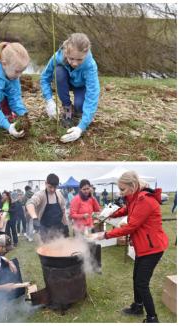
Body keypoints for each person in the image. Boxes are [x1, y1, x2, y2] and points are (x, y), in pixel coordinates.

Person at [94, 171, 169, 323]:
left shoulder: (145, 200)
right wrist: (109, 214)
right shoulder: (133, 197)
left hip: (153, 248)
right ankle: (137, 306)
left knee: (142, 283)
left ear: (132, 186)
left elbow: (131, 226)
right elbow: (127, 209)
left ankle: (152, 318)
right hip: (143, 246)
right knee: (136, 279)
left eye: (122, 189)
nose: (121, 193)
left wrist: (106, 235)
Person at [41, 33, 100, 143]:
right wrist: (49, 100)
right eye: (71, 58)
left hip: (81, 86)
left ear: (86, 54)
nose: (74, 63)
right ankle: (67, 108)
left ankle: (77, 111)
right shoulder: (58, 56)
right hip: (65, 81)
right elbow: (45, 77)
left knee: (79, 106)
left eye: (79, 59)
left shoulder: (90, 66)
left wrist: (81, 127)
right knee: (58, 71)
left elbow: (92, 95)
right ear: (66, 52)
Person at [26, 174, 68, 242]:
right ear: (46, 183)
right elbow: (29, 203)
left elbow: (63, 211)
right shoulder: (40, 195)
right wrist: (34, 217)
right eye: (50, 187)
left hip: (59, 229)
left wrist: (66, 225)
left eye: (55, 187)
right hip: (45, 230)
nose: (52, 189)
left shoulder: (59, 195)